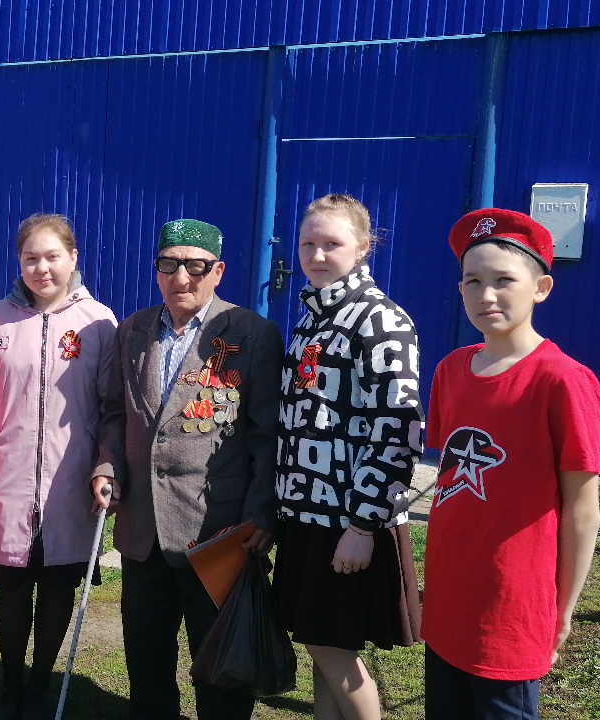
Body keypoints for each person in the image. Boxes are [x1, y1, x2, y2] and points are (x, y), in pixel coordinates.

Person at [90, 218, 283, 720]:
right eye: (169, 265)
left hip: (219, 529)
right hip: (143, 527)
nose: (182, 277)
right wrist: (108, 465)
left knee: (221, 659)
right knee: (146, 653)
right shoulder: (132, 331)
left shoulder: (251, 334)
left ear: (218, 271)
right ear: (156, 270)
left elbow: (266, 434)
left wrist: (261, 514)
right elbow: (116, 413)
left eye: (196, 266)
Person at [423, 209, 600, 719]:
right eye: (472, 281)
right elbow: (452, 481)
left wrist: (562, 609)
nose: (487, 295)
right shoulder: (450, 370)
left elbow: (582, 509)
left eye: (504, 280)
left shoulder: (562, 380)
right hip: (450, 593)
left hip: (513, 606)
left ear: (541, 288)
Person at [0, 213, 118, 720]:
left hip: (72, 483)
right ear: (19, 262)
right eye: (31, 258)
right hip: (9, 480)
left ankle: (41, 685)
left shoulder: (99, 322)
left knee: (57, 588)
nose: (41, 268)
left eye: (52, 257)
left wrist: (107, 465)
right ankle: (11, 686)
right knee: (10, 589)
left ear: (73, 258)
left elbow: (113, 407)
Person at [270, 194, 424, 720]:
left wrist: (362, 526)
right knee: (324, 641)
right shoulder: (313, 318)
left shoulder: (380, 320)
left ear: (362, 248)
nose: (316, 255)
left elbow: (397, 430)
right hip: (306, 511)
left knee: (329, 647)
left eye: (331, 244)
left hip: (347, 517)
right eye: (307, 243)